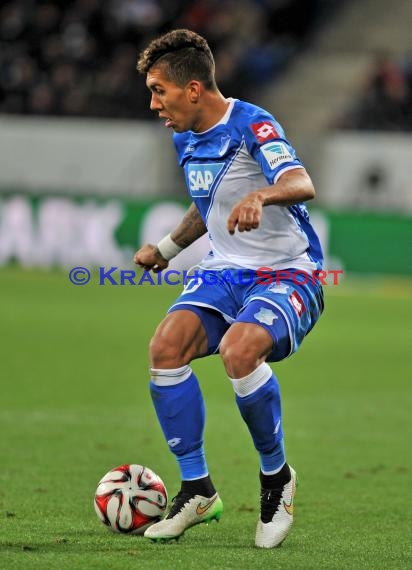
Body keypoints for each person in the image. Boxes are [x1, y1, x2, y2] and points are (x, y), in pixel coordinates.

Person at [133, 29, 324, 548]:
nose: (154, 104)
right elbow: (208, 203)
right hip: (225, 269)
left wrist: (263, 194)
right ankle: (197, 489)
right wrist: (165, 251)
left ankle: (276, 479)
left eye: (159, 91)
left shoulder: (251, 123)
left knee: (239, 352)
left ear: (192, 89)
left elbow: (302, 183)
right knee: (165, 349)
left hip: (290, 270)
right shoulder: (184, 135)